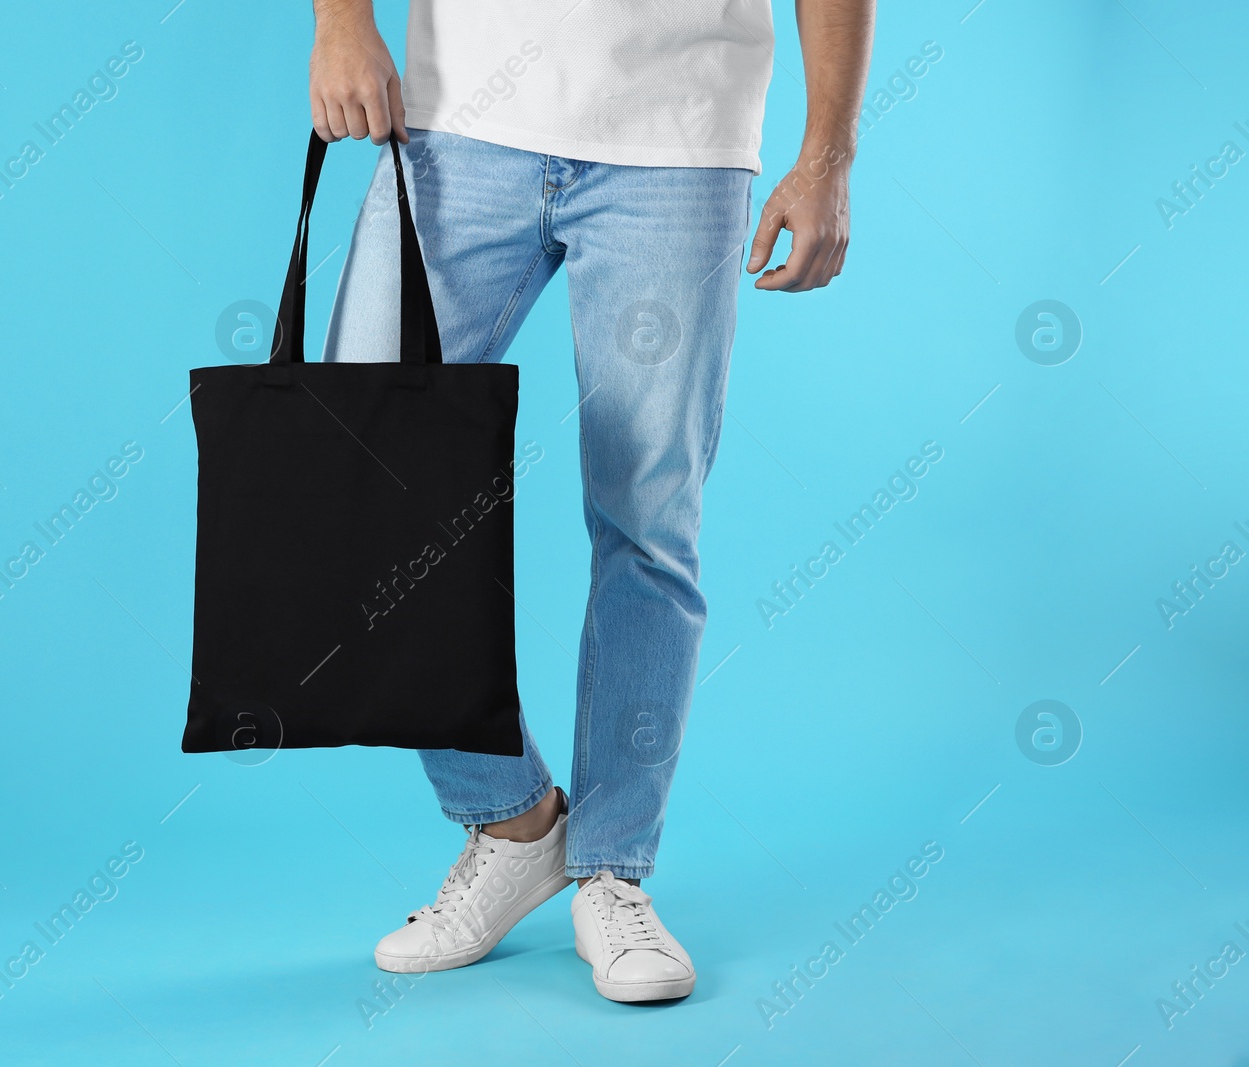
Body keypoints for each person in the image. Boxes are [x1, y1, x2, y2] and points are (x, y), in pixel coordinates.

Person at [310, 0, 874, 1002]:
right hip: (461, 121)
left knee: (647, 520)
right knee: (362, 470)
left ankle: (610, 870)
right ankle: (513, 818)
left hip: (679, 138)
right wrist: (341, 19)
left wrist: (826, 160)